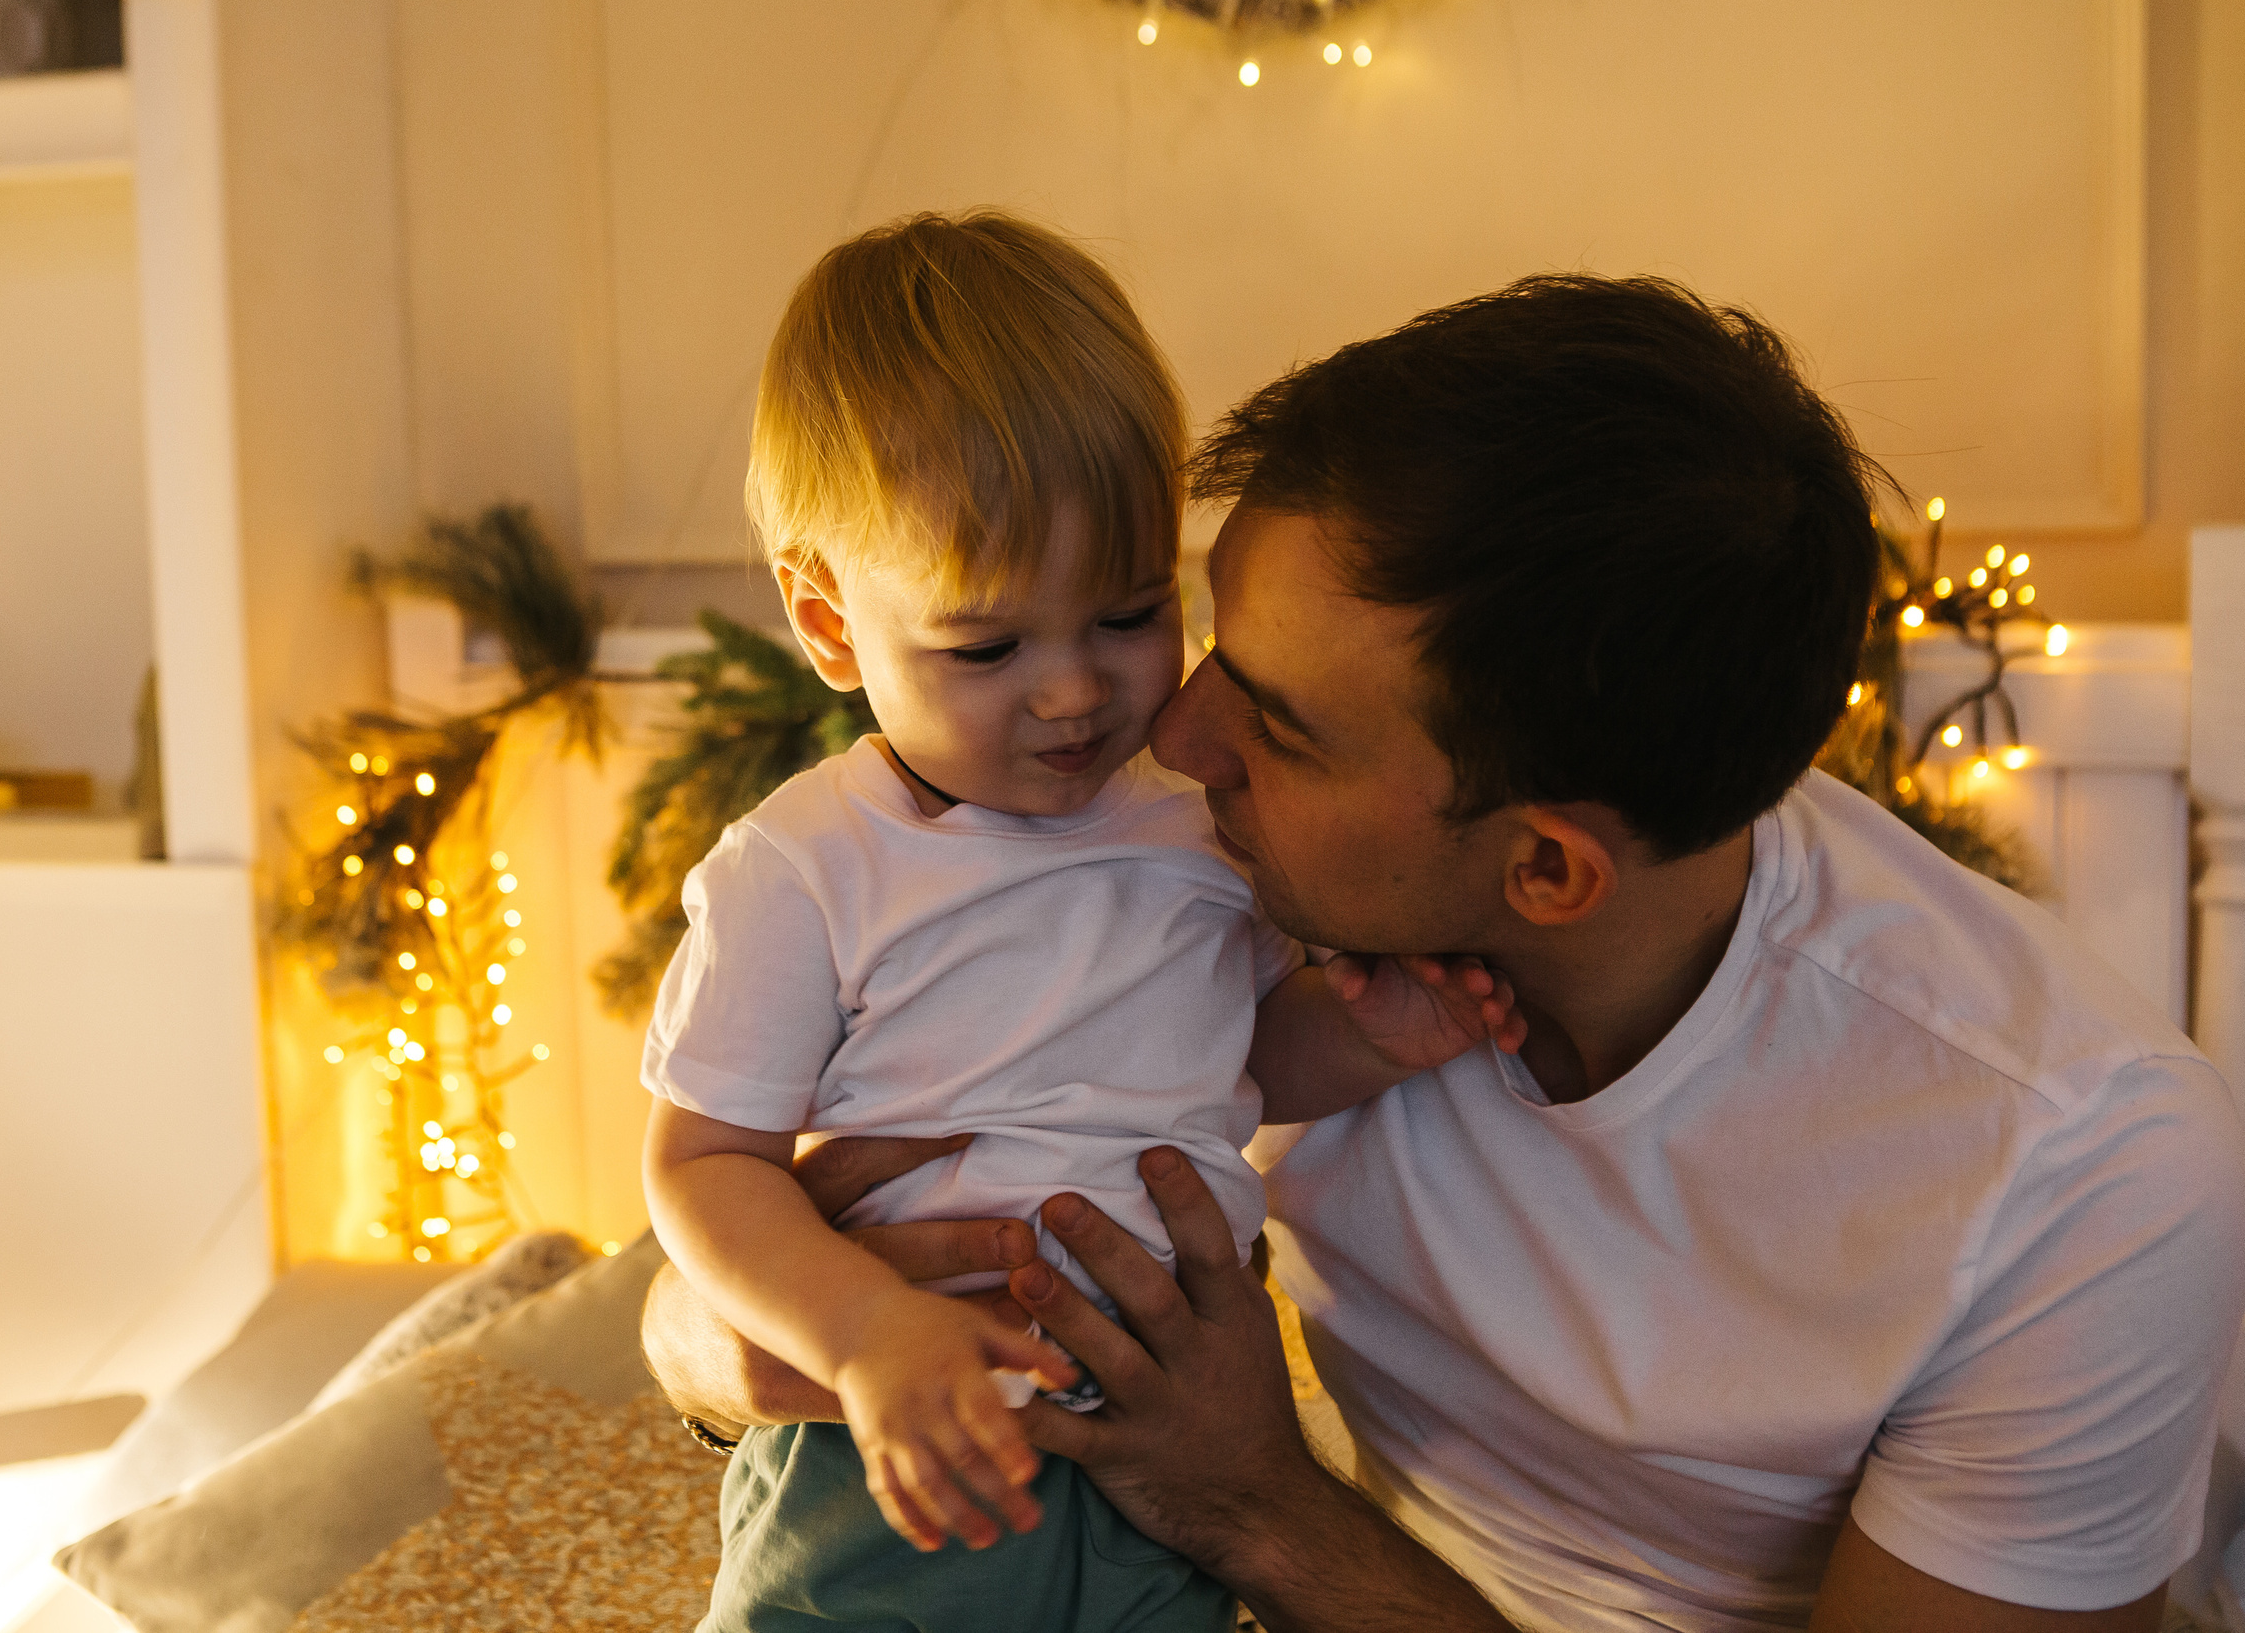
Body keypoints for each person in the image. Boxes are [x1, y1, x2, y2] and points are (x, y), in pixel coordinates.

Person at [647, 273, 2245, 1632]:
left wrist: (1255, 1504)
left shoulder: (2078, 1171)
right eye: (1206, 639)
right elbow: (729, 1218)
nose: (1172, 737)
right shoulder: (1246, 864)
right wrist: (748, 1343)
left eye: (1275, 725)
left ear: (1542, 870)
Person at [639, 211, 1519, 1632]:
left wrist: (1370, 1037)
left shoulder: (1195, 818)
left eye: (1126, 614)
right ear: (829, 620)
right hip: (896, 1456)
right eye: (987, 646)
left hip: (1162, 1455)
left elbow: (1233, 1061)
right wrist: (864, 1333)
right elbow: (699, 1166)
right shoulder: (808, 866)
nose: (1073, 693)